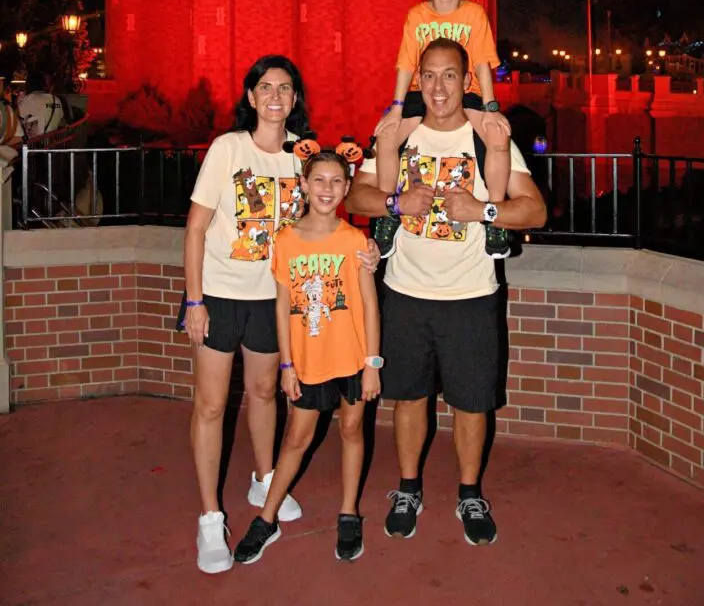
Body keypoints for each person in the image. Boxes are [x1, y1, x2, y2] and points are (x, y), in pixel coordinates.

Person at [180, 55, 379, 574]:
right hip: (221, 294)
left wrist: (370, 250)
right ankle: (209, 518)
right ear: (250, 97)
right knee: (210, 406)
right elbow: (196, 227)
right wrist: (195, 300)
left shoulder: (300, 157)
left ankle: (265, 478)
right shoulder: (229, 149)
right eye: (264, 87)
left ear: (295, 100)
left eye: (284, 89)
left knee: (265, 393)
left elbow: (338, 195)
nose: (274, 97)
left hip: (274, 298)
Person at [346, 38, 547, 547]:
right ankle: (409, 488)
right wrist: (397, 201)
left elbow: (535, 210)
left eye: (450, 76)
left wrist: (483, 211)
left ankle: (469, 492)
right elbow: (357, 196)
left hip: (472, 295)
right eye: (429, 76)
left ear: (467, 82)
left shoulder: (487, 138)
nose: (438, 87)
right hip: (405, 294)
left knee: (472, 403)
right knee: (409, 398)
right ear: (418, 82)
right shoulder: (398, 133)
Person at [234, 148, 382, 565]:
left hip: (352, 360)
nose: (327, 189)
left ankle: (349, 511)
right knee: (297, 439)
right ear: (303, 184)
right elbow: (281, 306)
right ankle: (267, 518)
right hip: (308, 361)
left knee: (352, 432)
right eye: (319, 180)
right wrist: (286, 364)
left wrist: (372, 364)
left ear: (347, 188)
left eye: (337, 181)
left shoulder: (355, 241)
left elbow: (370, 306)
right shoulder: (286, 240)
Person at [374, 0, 513, 259]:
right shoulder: (416, 16)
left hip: (468, 93)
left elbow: (482, 61)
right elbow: (406, 63)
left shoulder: (475, 13)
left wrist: (490, 107)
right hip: (424, 93)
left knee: (496, 137)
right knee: (386, 137)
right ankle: (388, 215)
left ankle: (495, 217)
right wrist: (396, 108)